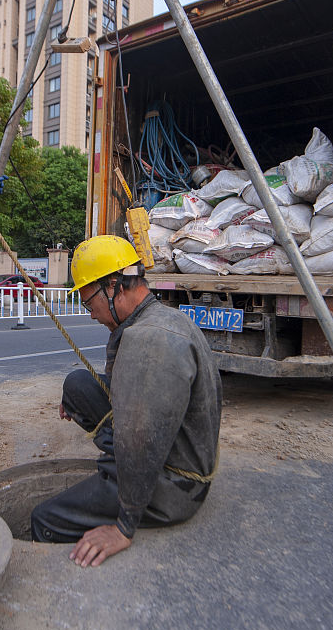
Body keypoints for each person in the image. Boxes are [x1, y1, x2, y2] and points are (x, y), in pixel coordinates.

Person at [30, 235, 222, 566]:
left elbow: (142, 442)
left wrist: (123, 526)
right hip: (175, 450)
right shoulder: (160, 318)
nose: (91, 315)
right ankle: (116, 466)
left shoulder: (150, 341)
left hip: (175, 485)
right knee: (78, 384)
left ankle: (116, 481)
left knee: (44, 517)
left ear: (115, 285)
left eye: (89, 303)